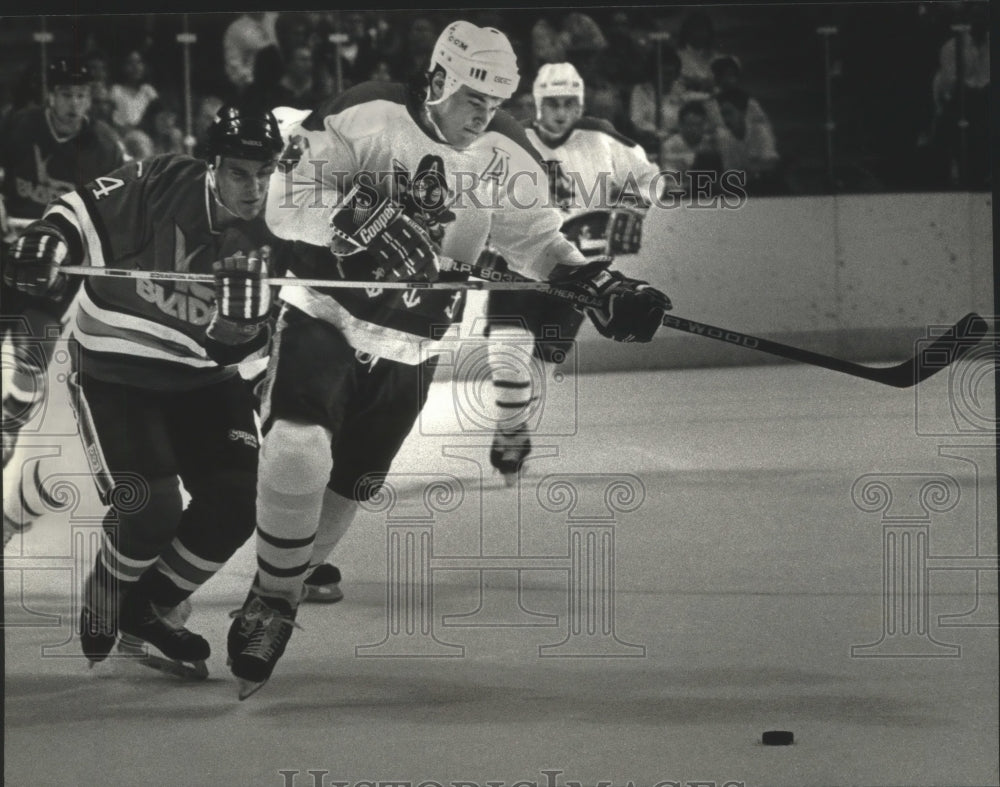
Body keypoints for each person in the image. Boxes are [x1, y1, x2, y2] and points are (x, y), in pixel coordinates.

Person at [228, 20, 672, 699]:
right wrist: (354, 218)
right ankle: (270, 604)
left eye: (496, 101)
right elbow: (286, 205)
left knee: (350, 487)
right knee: (296, 450)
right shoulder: (368, 111)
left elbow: (539, 244)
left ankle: (275, 590)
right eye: (472, 96)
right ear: (437, 79)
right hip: (324, 313)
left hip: (413, 346)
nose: (484, 114)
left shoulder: (505, 152)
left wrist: (598, 284)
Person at [3, 104, 285, 676]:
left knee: (237, 502)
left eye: (264, 172)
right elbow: (77, 211)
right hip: (115, 368)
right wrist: (48, 241)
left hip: (206, 375)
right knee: (148, 509)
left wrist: (241, 331)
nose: (254, 188)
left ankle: (145, 609)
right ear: (210, 166)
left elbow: (248, 349)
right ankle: (104, 590)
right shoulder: (159, 178)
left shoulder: (284, 224)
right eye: (238, 172)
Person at [482, 62, 663, 484]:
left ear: (578, 103)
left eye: (568, 103)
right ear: (537, 102)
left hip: (579, 271)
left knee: (541, 364)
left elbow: (650, 176)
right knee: (507, 355)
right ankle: (509, 433)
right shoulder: (512, 139)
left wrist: (634, 208)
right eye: (552, 102)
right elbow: (476, 190)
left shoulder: (600, 136)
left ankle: (513, 428)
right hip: (518, 263)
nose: (560, 111)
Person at [1, 59, 125, 544]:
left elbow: (114, 214)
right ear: (52, 95)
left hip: (56, 267)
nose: (75, 104)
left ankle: (9, 422)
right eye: (67, 94)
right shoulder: (18, 126)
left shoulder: (106, 147)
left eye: (83, 95)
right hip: (8, 248)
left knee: (35, 349)